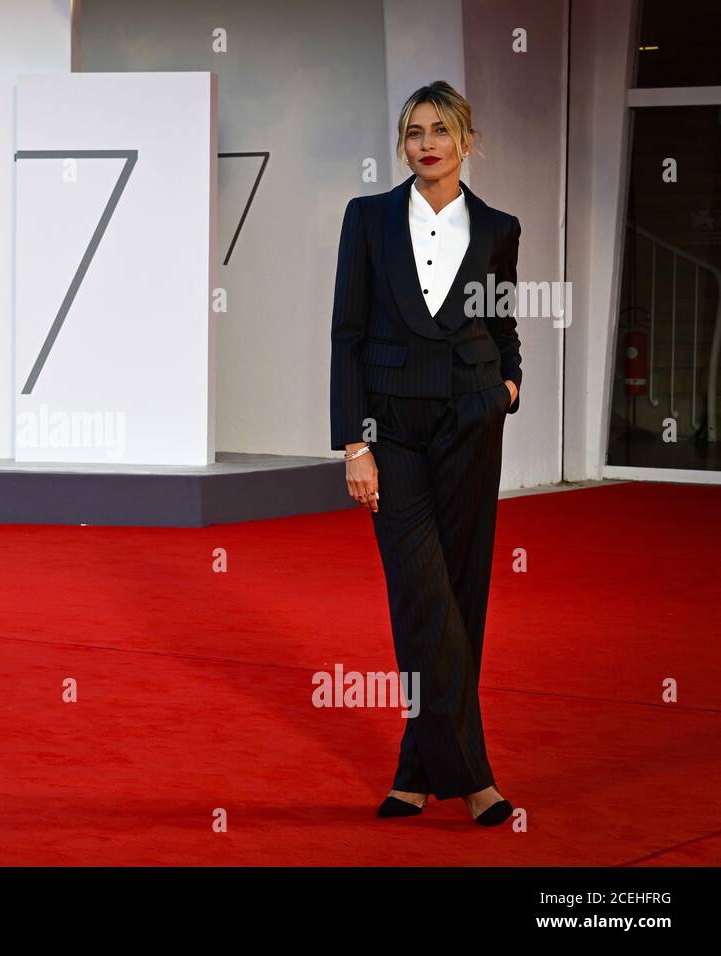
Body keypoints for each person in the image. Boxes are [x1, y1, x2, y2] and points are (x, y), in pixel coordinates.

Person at [328, 80, 521, 827]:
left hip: (474, 420)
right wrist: (354, 445)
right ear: (403, 145)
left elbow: (503, 324)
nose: (427, 142)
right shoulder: (368, 219)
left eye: (442, 129)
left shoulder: (500, 227)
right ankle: (475, 778)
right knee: (421, 594)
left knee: (461, 596)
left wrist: (508, 387)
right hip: (393, 433)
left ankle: (415, 769)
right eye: (414, 132)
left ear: (467, 140)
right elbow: (346, 335)